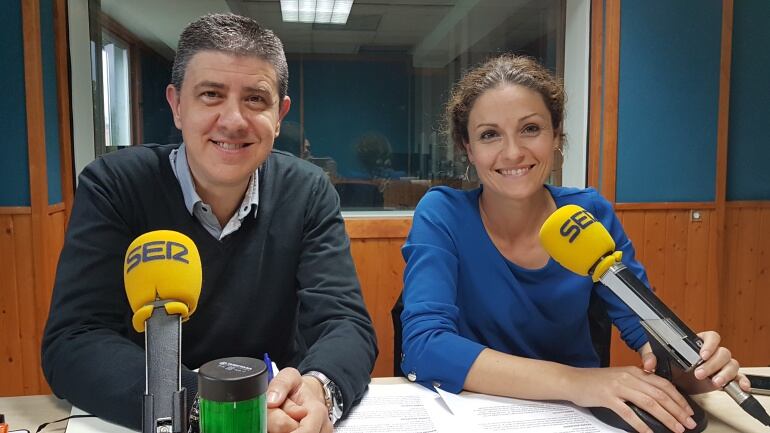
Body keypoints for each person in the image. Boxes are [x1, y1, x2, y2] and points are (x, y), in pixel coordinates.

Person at [41, 13, 377, 433]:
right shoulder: (116, 185)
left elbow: (346, 324)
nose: (233, 120)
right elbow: (74, 341)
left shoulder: (307, 191)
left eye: (255, 99)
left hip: (280, 417)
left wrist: (319, 390)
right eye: (211, 94)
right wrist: (212, 408)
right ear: (177, 105)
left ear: (279, 115)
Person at [399, 54, 749, 433]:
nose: (513, 152)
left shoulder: (589, 211)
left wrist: (693, 367)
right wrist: (577, 382)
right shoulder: (442, 214)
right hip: (479, 413)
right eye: (489, 134)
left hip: (583, 418)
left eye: (530, 128)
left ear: (555, 135)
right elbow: (424, 347)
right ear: (468, 148)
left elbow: (645, 330)